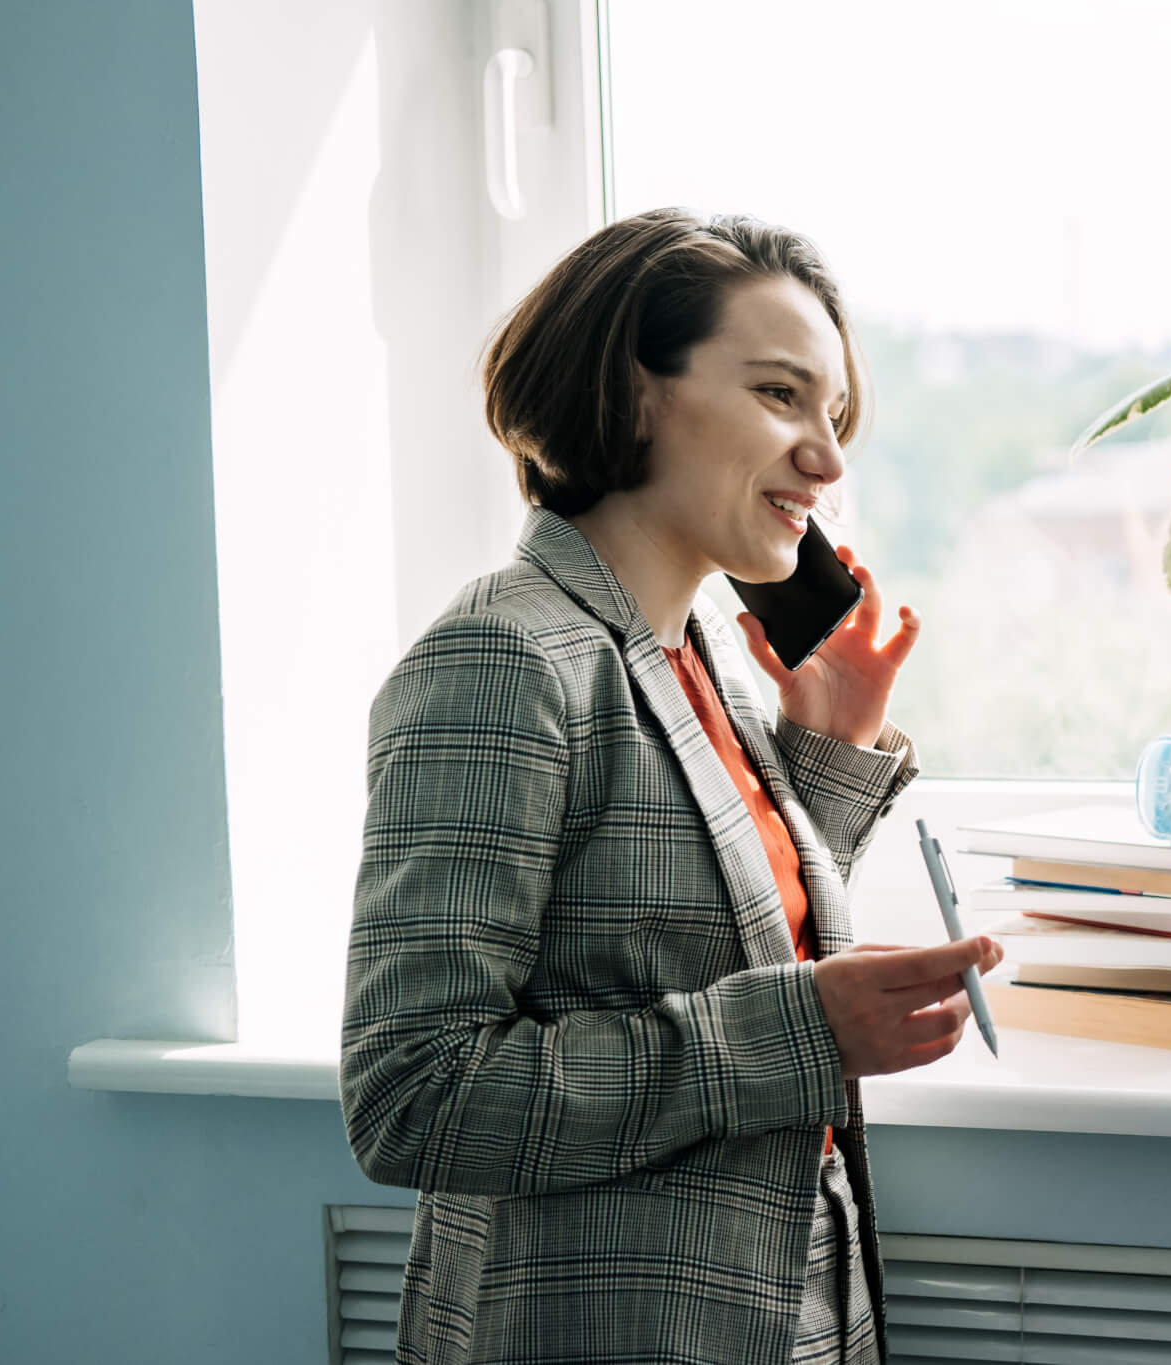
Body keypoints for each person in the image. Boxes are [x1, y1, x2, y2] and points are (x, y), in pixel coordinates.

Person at [339, 207, 1001, 1365]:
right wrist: (805, 1028)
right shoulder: (503, 660)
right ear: (633, 392)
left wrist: (823, 762)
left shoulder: (700, 659)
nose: (828, 459)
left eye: (835, 415)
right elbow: (415, 1096)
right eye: (781, 396)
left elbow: (684, 940)